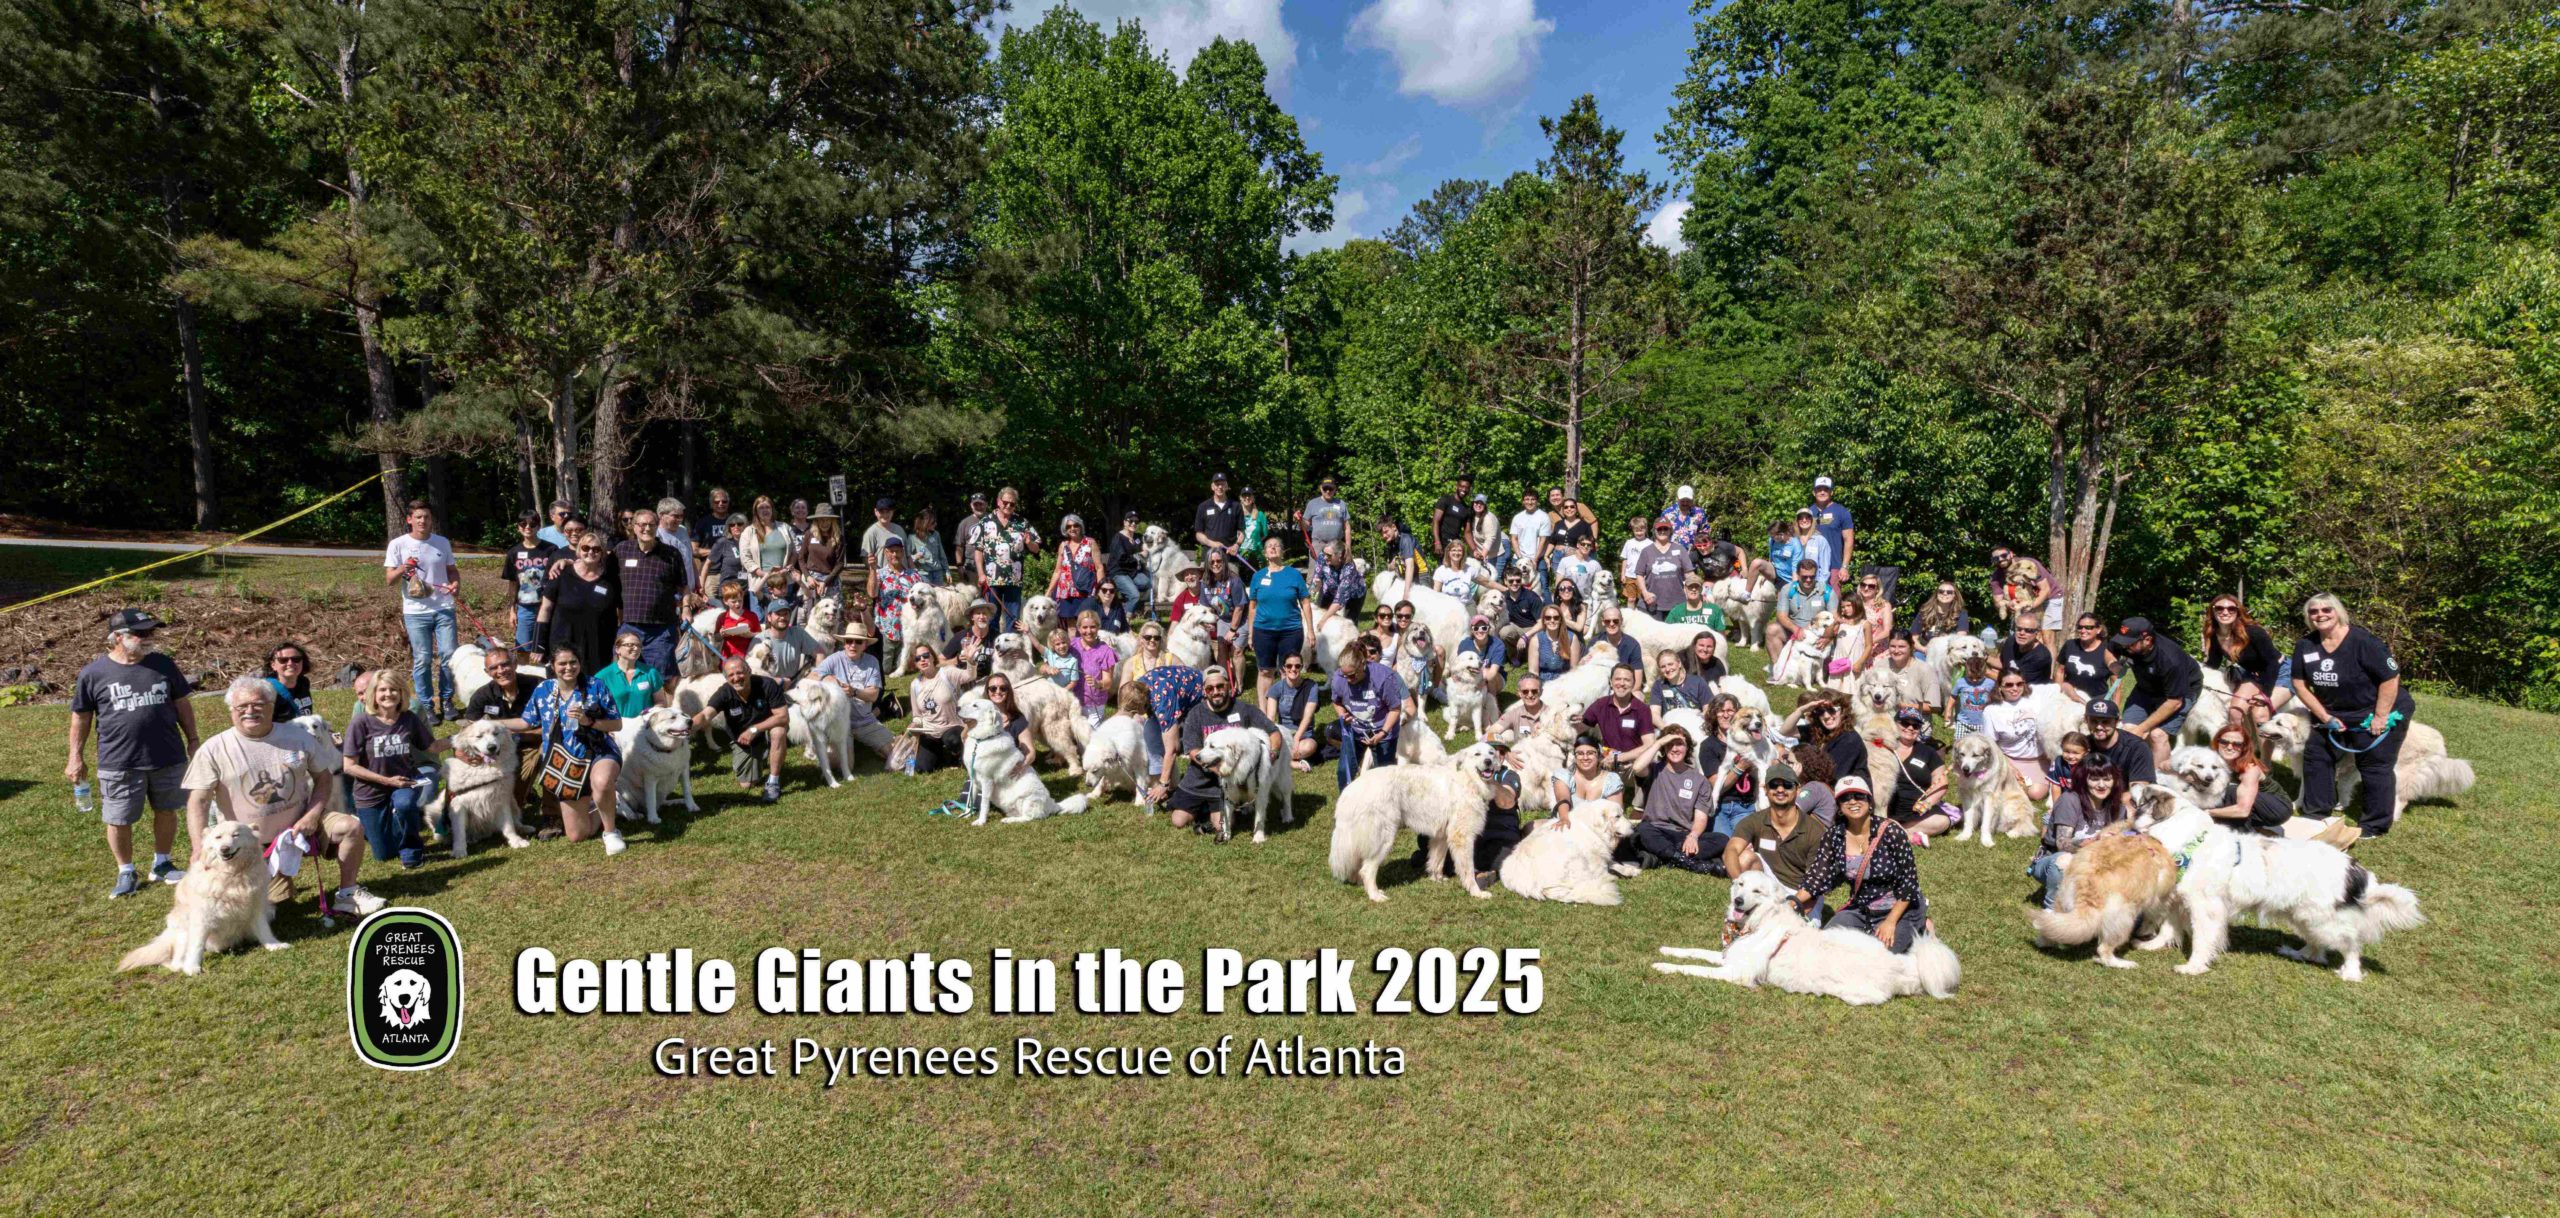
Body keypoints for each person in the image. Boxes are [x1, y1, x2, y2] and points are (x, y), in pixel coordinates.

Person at [185, 677, 384, 915]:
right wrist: (198, 847)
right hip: (249, 844)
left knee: (350, 827)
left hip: (302, 826)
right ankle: (273, 884)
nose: (250, 711)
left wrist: (312, 815)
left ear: (271, 706)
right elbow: (198, 801)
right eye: (242, 706)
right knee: (269, 911)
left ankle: (347, 895)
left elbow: (324, 778)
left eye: (258, 704)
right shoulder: (213, 749)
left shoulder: (298, 737)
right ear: (231, 710)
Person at [68, 608, 200, 897]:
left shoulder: (163, 664)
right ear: (118, 636)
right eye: (141, 633)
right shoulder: (93, 673)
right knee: (119, 818)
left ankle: (162, 863)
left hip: (167, 755)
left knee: (166, 809)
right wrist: (75, 756)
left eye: (151, 631)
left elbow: (182, 703)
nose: (149, 637)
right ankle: (126, 870)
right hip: (120, 759)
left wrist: (193, 739)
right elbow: (81, 716)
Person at [2289, 593, 2414, 843]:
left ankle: (2374, 825)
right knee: (2316, 756)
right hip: (2332, 712)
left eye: (2326, 609)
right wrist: (2324, 716)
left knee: (2374, 765)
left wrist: (2381, 716)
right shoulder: (2306, 645)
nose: (2320, 615)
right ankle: (2316, 814)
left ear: (2338, 612)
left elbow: (2390, 678)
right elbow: (2299, 684)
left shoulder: (2363, 642)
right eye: (2313, 611)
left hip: (2375, 710)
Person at [507, 647, 628, 851]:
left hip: (598, 751)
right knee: (577, 835)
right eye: (562, 663)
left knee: (602, 781)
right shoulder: (544, 689)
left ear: (580, 663)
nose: (568, 667)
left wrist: (589, 721)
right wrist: (495, 724)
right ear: (553, 666)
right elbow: (527, 722)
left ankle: (611, 832)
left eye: (573, 662)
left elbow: (616, 724)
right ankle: (606, 804)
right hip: (563, 761)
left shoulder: (595, 686)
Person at [1793, 777, 1928, 951]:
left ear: (1869, 801)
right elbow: (1817, 878)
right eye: (1845, 798)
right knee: (1826, 947)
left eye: (1859, 796)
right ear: (1839, 806)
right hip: (1862, 909)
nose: (1852, 802)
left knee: (1879, 956)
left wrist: (1890, 922)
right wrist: (1792, 903)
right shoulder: (1834, 836)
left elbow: (1908, 884)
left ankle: (1922, 928)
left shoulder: (1892, 832)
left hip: (1900, 910)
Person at [340, 670, 449, 871]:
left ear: (401, 693)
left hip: (404, 782)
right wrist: (386, 781)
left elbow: (432, 747)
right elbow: (349, 766)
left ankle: (412, 851)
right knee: (383, 854)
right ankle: (390, 828)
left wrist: (461, 739)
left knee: (405, 803)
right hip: (370, 790)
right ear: (374, 693)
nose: (388, 694)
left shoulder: (408, 718)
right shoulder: (361, 722)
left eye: (393, 689)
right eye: (382, 690)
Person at [1161, 667, 1284, 840]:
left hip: (1229, 783)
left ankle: (1216, 812)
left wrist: (1274, 753)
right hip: (1199, 778)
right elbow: (1194, 751)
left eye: (1220, 686)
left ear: (1229, 686)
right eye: (1210, 688)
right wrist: (1219, 770)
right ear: (1205, 691)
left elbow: (1273, 731)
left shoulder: (1244, 709)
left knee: (1222, 825)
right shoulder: (1196, 714)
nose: (1216, 691)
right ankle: (1204, 808)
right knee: (1178, 821)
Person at [383, 499, 462, 723]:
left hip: (444, 607)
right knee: (423, 659)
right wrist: (404, 567)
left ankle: (447, 701)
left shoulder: (442, 543)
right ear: (409, 520)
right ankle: (426, 705)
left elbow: (452, 571)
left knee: (449, 655)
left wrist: (455, 584)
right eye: (418, 517)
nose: (423, 521)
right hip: (415, 611)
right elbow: (389, 579)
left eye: (426, 517)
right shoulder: (398, 544)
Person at [2028, 756, 2132, 908]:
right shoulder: (2069, 800)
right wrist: (2096, 841)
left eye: (2107, 779)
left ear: (2114, 781)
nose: (2101, 785)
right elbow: (2062, 844)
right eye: (2095, 779)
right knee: (2064, 860)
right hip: (2054, 860)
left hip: (2094, 864)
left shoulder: (2119, 809)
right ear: (2083, 779)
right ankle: (2052, 907)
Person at [2111, 616, 2201, 770]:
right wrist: (2113, 664)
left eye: (2129, 644)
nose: (2124, 647)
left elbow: (2174, 702)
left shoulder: (2170, 659)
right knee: (2128, 729)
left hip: (2179, 693)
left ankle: (2157, 778)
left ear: (2147, 640)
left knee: (2157, 735)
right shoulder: (2126, 643)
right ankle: (2135, 770)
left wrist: (2142, 729)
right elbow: (2109, 650)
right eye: (2123, 642)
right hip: (2145, 687)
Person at [615, 507, 691, 684]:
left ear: (657, 526)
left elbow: (684, 587)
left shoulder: (671, 554)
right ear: (634, 527)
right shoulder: (621, 551)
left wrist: (686, 609)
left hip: (661, 630)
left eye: (651, 524)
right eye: (642, 525)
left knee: (663, 680)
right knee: (623, 676)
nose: (647, 529)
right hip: (630, 626)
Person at [1722, 764, 1824, 891]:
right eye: (1774, 785)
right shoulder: (1753, 820)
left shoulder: (1815, 830)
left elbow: (1815, 881)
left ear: (1798, 789)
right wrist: (1738, 883)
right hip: (1768, 884)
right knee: (1744, 858)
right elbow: (1731, 850)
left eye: (1787, 785)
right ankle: (1748, 895)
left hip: (1801, 889)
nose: (1780, 789)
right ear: (1765, 789)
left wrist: (1795, 901)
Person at [811, 621, 898, 767]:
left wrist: (854, 692)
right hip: (839, 722)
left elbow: (873, 695)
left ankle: (868, 743)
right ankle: (816, 747)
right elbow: (811, 677)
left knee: (896, 755)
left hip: (865, 720)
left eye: (858, 641)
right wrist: (828, 678)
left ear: (865, 645)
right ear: (844, 643)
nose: (853, 645)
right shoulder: (834, 659)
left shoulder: (872, 661)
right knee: (846, 764)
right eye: (849, 641)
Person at [1634, 728, 1718, 873]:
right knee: (1643, 830)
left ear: (1688, 747)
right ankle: (1688, 862)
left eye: (1679, 744)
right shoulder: (1654, 770)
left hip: (1682, 834)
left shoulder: (1700, 780)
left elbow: (1701, 817)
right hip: (1655, 829)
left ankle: (1663, 856)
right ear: (1664, 748)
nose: (1674, 749)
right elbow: (1636, 768)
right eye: (1669, 744)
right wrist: (1658, 743)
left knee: (1721, 839)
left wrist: (1693, 836)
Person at [1329, 639, 1406, 788]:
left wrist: (1382, 733)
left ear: (1363, 665)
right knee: (1344, 773)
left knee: (1384, 779)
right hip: (1355, 731)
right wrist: (1342, 714)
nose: (1348, 680)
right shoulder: (1339, 678)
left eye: (1352, 675)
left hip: (1383, 732)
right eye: (1345, 675)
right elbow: (1336, 701)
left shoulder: (1384, 677)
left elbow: (1395, 709)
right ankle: (1346, 800)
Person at [2201, 595, 2288, 726]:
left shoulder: (2253, 632)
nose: (2225, 612)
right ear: (2212, 611)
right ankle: (2241, 739)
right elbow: (2213, 664)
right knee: (2235, 712)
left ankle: (2263, 740)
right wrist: (2193, 672)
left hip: (2280, 671)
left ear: (2238, 611)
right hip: (2253, 674)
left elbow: (2272, 662)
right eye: (2219, 608)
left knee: (2259, 714)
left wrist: (2265, 693)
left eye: (2231, 609)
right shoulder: (2215, 635)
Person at [1245, 536, 1312, 698]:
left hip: (1291, 631)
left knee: (1287, 669)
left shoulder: (1294, 575)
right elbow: (1252, 607)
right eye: (1269, 546)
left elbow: (1305, 603)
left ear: (1282, 552)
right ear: (1265, 553)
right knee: (1265, 671)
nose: (1273, 548)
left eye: (1276, 545)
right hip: (1263, 631)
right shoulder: (1258, 576)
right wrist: (1250, 633)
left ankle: (1286, 706)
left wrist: (1310, 630)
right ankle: (1264, 710)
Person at [972, 487, 1042, 632]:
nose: (1008, 506)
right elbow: (978, 550)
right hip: (991, 579)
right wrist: (981, 574)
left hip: (1014, 579)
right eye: (1005, 502)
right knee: (991, 616)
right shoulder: (985, 522)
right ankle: (991, 643)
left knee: (1013, 618)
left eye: (1012, 504)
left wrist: (1029, 543)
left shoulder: (1022, 522)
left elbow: (1036, 549)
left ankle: (1011, 644)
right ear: (998, 501)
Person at [1883, 710, 1956, 845]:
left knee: (1942, 821)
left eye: (1916, 726)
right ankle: (1902, 834)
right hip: (1886, 804)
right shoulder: (1883, 748)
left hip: (1916, 809)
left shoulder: (1928, 752)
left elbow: (1941, 781)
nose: (1910, 728)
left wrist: (1928, 803)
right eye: (1905, 723)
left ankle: (1891, 833)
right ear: (1895, 724)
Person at [1139, 658, 1209, 797]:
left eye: (1137, 710)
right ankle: (1163, 782)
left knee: (1197, 743)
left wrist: (1163, 784)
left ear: (1143, 703)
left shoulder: (1162, 702)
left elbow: (1172, 749)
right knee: (1150, 733)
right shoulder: (1138, 686)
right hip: (1177, 691)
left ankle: (1204, 783)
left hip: (1202, 695)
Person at [1980, 671, 2054, 802]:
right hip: (2009, 759)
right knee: (2005, 793)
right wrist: (2010, 767)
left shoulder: (2036, 700)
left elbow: (2061, 687)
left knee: (2036, 793)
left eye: (2019, 684)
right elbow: (1990, 744)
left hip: (2038, 760)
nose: (2015, 688)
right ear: (2000, 687)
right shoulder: (1991, 711)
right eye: (2009, 685)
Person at [503, 511, 561, 658]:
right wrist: (512, 610)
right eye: (523, 524)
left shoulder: (551, 549)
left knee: (551, 647)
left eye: (532, 524)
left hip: (549, 606)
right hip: (525, 608)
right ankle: (524, 672)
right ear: (518, 527)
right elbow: (513, 583)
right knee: (523, 648)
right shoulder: (514, 552)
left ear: (539, 527)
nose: (528, 527)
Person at [903, 647, 969, 774]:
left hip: (952, 725)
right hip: (930, 730)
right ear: (915, 664)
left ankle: (956, 754)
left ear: (933, 656)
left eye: (925, 655)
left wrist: (970, 661)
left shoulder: (947, 673)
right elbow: (917, 716)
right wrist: (914, 725)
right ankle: (939, 754)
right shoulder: (915, 685)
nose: (922, 660)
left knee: (953, 740)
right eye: (917, 658)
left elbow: (970, 675)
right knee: (923, 768)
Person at [1580, 665, 1656, 767]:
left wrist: (1620, 757)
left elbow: (1650, 744)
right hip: (1608, 763)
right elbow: (1578, 729)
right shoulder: (1600, 704)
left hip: (1635, 765)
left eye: (1627, 680)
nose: (1622, 683)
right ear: (1611, 682)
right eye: (1618, 679)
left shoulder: (1642, 709)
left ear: (1633, 683)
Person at [1548, 732, 1627, 829]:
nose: (1585, 757)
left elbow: (1616, 813)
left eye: (1590, 753)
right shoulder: (1564, 775)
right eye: (1580, 753)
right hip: (1568, 824)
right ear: (1575, 756)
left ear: (1599, 755)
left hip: (1600, 829)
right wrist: (1564, 818)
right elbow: (1563, 798)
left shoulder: (1611, 780)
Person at [1989, 546, 2061, 652]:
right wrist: (2008, 604)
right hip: (2023, 602)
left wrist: (2030, 606)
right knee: (2025, 637)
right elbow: (1997, 602)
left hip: (2050, 597)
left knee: (2047, 637)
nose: (2000, 559)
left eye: (2003, 555)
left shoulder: (2028, 564)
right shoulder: (1996, 577)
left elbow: (2045, 590)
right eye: (1996, 558)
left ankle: (2049, 663)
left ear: (2011, 554)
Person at [869, 535, 924, 665]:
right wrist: (872, 569)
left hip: (908, 629)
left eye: (898, 551)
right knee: (885, 667)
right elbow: (872, 593)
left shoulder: (914, 575)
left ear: (902, 552)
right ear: (885, 553)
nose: (895, 554)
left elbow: (923, 600)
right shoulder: (880, 574)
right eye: (891, 551)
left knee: (902, 666)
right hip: (886, 629)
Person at [1263, 652, 1322, 771]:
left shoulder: (1312, 686)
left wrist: (1296, 738)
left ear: (1302, 667)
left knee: (1310, 746)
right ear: (1284, 668)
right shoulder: (1276, 688)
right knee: (1269, 743)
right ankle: (1292, 762)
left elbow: (1307, 717)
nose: (1293, 669)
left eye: (1297, 666)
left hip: (1304, 735)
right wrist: (1273, 738)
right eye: (1289, 666)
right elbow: (1270, 718)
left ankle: (1281, 759)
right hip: (1284, 733)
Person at [2080, 698, 2157, 783]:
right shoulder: (2082, 745)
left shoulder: (2137, 748)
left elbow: (2139, 786)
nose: (2099, 727)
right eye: (2094, 721)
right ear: (2086, 720)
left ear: (2117, 721)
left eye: (2105, 722)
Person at [1770, 558, 1835, 659]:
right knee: (1772, 630)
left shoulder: (1827, 591)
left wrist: (1828, 637)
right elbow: (1781, 615)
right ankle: (1779, 666)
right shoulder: (1787, 589)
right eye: (1804, 577)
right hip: (1793, 632)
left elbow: (1835, 618)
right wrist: (1795, 629)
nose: (1808, 580)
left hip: (1819, 635)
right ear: (1797, 574)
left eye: (1812, 577)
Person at [1198, 548, 1249, 676]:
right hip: (1223, 618)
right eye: (1212, 562)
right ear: (1208, 564)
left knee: (1237, 651)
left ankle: (1239, 684)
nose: (1215, 564)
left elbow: (1239, 608)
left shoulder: (1234, 580)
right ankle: (1223, 679)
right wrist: (1208, 623)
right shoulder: (1205, 582)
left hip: (1241, 619)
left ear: (1224, 562)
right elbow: (1206, 607)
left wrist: (1232, 630)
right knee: (1222, 649)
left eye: (1218, 561)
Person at [1046, 513, 1104, 622]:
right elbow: (1058, 571)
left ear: (1080, 526)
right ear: (1065, 529)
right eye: (1068, 526)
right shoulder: (1063, 546)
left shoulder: (1090, 543)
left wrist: (1101, 588)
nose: (1072, 528)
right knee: (1071, 626)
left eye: (1075, 525)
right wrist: (1049, 591)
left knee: (1086, 622)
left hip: (1085, 591)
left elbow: (1099, 568)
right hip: (1066, 592)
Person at [596, 628, 666, 718]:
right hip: (616, 726)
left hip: (645, 725)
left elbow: (661, 702)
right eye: (630, 645)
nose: (636, 648)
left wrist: (650, 715)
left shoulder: (650, 672)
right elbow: (596, 708)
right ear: (617, 649)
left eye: (639, 645)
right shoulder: (602, 676)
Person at [1872, 632, 1943, 718]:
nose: (1896, 651)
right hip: (1883, 720)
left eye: (1901, 647)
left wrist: (1903, 706)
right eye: (1892, 646)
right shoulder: (1881, 665)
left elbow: (1933, 707)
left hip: (1912, 723)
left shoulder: (1925, 670)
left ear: (1911, 647)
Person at [2055, 612, 2120, 702]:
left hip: (2096, 701)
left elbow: (2116, 683)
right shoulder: (2070, 645)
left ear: (2098, 629)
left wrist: (2115, 707)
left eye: (2088, 627)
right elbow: (2060, 671)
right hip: (2070, 698)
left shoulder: (2108, 650)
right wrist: (2057, 696)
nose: (2083, 630)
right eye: (2080, 627)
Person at [1634, 518, 1691, 612]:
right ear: (1654, 531)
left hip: (1678, 603)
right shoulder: (1646, 551)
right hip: (1651, 603)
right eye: (1659, 529)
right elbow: (1639, 574)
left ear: (1670, 531)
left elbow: (1689, 573)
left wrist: (1693, 591)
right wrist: (1645, 593)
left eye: (1665, 529)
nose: (1662, 531)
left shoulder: (1680, 549)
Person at [1806, 476, 1855, 588]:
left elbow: (1849, 540)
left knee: (1833, 597)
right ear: (1814, 492)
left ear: (1831, 492)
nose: (1822, 492)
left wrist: (1844, 567)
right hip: (1810, 566)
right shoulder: (1808, 513)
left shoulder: (1842, 512)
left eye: (1826, 489)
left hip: (1834, 566)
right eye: (1819, 489)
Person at [1105, 510, 1153, 618]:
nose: (1133, 523)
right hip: (1119, 572)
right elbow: (1122, 559)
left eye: (1136, 521)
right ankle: (1126, 620)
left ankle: (1137, 608)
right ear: (1125, 522)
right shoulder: (1118, 538)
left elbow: (1147, 546)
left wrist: (1147, 550)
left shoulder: (1137, 537)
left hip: (1132, 572)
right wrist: (1139, 556)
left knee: (1149, 584)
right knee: (1134, 595)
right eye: (1131, 521)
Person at [741, 496, 797, 588]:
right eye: (761, 508)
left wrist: (786, 570)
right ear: (756, 511)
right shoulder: (748, 531)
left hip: (784, 581)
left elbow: (795, 551)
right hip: (760, 583)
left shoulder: (785, 528)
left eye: (767, 507)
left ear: (772, 509)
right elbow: (745, 557)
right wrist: (764, 575)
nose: (765, 510)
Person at [1311, 539, 1366, 629]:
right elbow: (1315, 580)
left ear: (1339, 555)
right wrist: (1316, 586)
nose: (1325, 557)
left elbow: (1339, 600)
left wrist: (1323, 621)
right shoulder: (1323, 556)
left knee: (1348, 625)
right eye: (1324, 553)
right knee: (1323, 618)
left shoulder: (1349, 568)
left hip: (1353, 596)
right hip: (1330, 591)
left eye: (1329, 555)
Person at [942, 601, 1000, 683]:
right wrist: (956, 660)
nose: (981, 616)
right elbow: (938, 662)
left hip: (990, 684)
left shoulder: (998, 637)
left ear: (989, 616)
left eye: (985, 613)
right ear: (972, 617)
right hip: (965, 683)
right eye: (978, 613)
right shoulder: (960, 636)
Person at [796, 504, 844, 600]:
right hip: (810, 579)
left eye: (827, 520)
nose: (824, 523)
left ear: (832, 521)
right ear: (816, 520)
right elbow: (801, 558)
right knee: (807, 608)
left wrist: (826, 582)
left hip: (830, 579)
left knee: (832, 608)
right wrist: (807, 576)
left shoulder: (838, 537)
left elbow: (840, 564)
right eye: (821, 520)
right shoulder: (809, 534)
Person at [1193, 472, 1243, 561]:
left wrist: (1237, 545)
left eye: (1222, 484)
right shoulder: (1203, 506)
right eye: (1217, 484)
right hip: (1209, 556)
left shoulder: (1236, 506)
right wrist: (1212, 543)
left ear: (1227, 486)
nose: (1220, 487)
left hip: (1229, 556)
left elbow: (1242, 532)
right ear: (1212, 487)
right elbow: (1198, 534)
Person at [262, 639, 317, 720]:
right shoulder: (267, 691)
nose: (290, 663)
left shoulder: (303, 682)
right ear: (273, 665)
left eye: (296, 659)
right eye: (283, 660)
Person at [1508, 491, 1551, 593]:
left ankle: (1547, 604)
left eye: (1533, 499)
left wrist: (1535, 559)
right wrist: (1520, 557)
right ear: (1523, 501)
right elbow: (1514, 538)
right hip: (1519, 558)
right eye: (1527, 499)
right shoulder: (1517, 517)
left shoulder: (1543, 516)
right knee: (1514, 587)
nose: (1530, 502)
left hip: (1538, 558)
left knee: (1543, 587)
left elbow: (1543, 540)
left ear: (1537, 501)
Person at [1648, 647, 1712, 714]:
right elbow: (1655, 713)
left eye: (1670, 664)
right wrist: (1661, 721)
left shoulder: (1698, 682)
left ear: (1679, 663)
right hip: (1669, 720)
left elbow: (1708, 708)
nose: (1667, 669)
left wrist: (1699, 719)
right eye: (1663, 666)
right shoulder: (1658, 685)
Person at [1525, 605, 1579, 683]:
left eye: (1556, 618)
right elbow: (1533, 671)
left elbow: (1574, 669)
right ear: (1543, 620)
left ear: (1560, 620)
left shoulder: (1572, 638)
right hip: (1543, 682)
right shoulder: (1536, 640)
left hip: (1564, 682)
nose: (1552, 620)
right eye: (1548, 618)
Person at [1299, 477, 1351, 558]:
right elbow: (1304, 527)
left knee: (1337, 566)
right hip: (1318, 545)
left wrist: (1348, 547)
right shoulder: (1312, 504)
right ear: (1321, 488)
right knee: (1315, 566)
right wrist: (1299, 519)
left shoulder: (1341, 504)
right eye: (1325, 488)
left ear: (1335, 489)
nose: (1328, 491)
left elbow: (1347, 527)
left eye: (1330, 488)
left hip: (1336, 545)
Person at [712, 578, 760, 661]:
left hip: (748, 656)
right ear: (725, 601)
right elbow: (716, 637)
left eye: (740, 601)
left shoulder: (751, 616)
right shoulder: (722, 617)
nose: (738, 604)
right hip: (728, 657)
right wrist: (721, 634)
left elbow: (760, 635)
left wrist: (750, 634)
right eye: (733, 602)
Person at [1999, 615, 2055, 686]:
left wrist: (1987, 672)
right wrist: (1986, 657)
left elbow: (2018, 684)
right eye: (2019, 629)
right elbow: (2003, 664)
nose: (2022, 633)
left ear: (2037, 633)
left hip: (2031, 690)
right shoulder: (2011, 641)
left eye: (2028, 630)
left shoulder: (2041, 656)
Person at [1949, 651, 1995, 736]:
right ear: (1966, 671)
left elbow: (1996, 699)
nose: (1974, 680)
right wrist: (1948, 711)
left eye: (1979, 677)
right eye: (1970, 677)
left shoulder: (1990, 683)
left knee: (1981, 743)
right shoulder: (1961, 682)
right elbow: (1953, 697)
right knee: (1959, 742)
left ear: (1985, 672)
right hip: (1963, 722)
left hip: (1983, 723)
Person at [1911, 582, 1971, 646]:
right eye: (1941, 591)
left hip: (1948, 648)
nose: (1945, 593)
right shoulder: (1925, 611)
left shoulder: (1961, 613)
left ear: (1954, 596)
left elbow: (1961, 638)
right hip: (1925, 647)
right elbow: (1913, 638)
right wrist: (1924, 649)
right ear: (1937, 594)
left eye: (1949, 592)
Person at [1430, 475, 1474, 559]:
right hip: (1442, 543)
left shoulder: (1467, 509)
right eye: (1462, 486)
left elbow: (1467, 532)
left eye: (1467, 488)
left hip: (1455, 545)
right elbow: (1435, 521)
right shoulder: (1446, 500)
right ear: (1457, 486)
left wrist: (1474, 550)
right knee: (1443, 566)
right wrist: (1437, 542)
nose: (1464, 489)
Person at [1553, 532, 1604, 605]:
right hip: (1567, 600)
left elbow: (1600, 585)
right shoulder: (1565, 561)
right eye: (1583, 544)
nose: (1586, 547)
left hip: (1586, 602)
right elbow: (1558, 583)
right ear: (1578, 545)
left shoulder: (1595, 565)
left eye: (1589, 545)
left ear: (1592, 547)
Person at [1497, 567, 1544, 647]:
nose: (1515, 583)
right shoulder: (1503, 597)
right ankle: (1513, 654)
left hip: (1531, 629)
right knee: (1504, 632)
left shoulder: (1532, 597)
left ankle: (1528, 651)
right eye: (1511, 581)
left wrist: (1525, 636)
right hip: (1514, 629)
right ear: (1505, 581)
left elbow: (1542, 623)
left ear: (1521, 580)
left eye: (1518, 580)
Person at [701, 513, 749, 590]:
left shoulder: (751, 542)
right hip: (728, 589)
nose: (736, 527)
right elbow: (707, 564)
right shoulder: (723, 542)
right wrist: (701, 587)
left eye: (739, 524)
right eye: (732, 525)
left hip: (747, 588)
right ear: (729, 528)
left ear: (745, 526)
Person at [1457, 616, 1507, 690]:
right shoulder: (1464, 644)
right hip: (1471, 676)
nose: (1480, 631)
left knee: (1488, 674)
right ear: (1472, 630)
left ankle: (1492, 696)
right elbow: (1459, 667)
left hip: (1495, 678)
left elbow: (1492, 674)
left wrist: (1481, 682)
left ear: (1488, 629)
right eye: (1476, 628)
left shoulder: (1497, 644)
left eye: (1484, 628)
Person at [859, 498, 907, 573]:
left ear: (892, 512)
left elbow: (908, 555)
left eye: (888, 512)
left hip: (904, 575)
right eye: (881, 512)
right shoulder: (871, 532)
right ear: (875, 512)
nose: (885, 515)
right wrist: (877, 573)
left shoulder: (900, 530)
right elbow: (866, 558)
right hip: (883, 576)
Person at [908, 506, 951, 587]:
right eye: (933, 522)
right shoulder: (912, 538)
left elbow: (942, 555)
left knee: (939, 594)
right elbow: (907, 557)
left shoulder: (936, 535)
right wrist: (915, 557)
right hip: (923, 574)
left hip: (938, 573)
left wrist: (947, 571)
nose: (936, 524)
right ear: (924, 523)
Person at [1616, 515, 1652, 607]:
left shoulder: (1650, 543)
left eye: (1641, 530)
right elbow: (1625, 559)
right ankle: (1630, 615)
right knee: (1631, 599)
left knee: (1643, 599)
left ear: (1646, 529)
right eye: (1636, 530)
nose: (1639, 533)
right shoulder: (1629, 543)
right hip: (1630, 576)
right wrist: (1623, 574)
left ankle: (1642, 614)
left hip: (1643, 577)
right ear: (1633, 530)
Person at [1852, 571, 1894, 642]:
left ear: (1877, 589)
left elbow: (1887, 631)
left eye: (1871, 586)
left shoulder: (1884, 606)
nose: (1866, 588)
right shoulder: (1854, 603)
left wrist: (1869, 643)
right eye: (1863, 585)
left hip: (1876, 643)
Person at [1237, 487, 1277, 559]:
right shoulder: (1236, 515)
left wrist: (1255, 542)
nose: (1247, 497)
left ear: (1253, 498)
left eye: (1249, 495)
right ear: (1240, 498)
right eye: (1244, 495)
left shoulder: (1260, 515)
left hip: (1257, 555)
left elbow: (1264, 534)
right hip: (1239, 554)